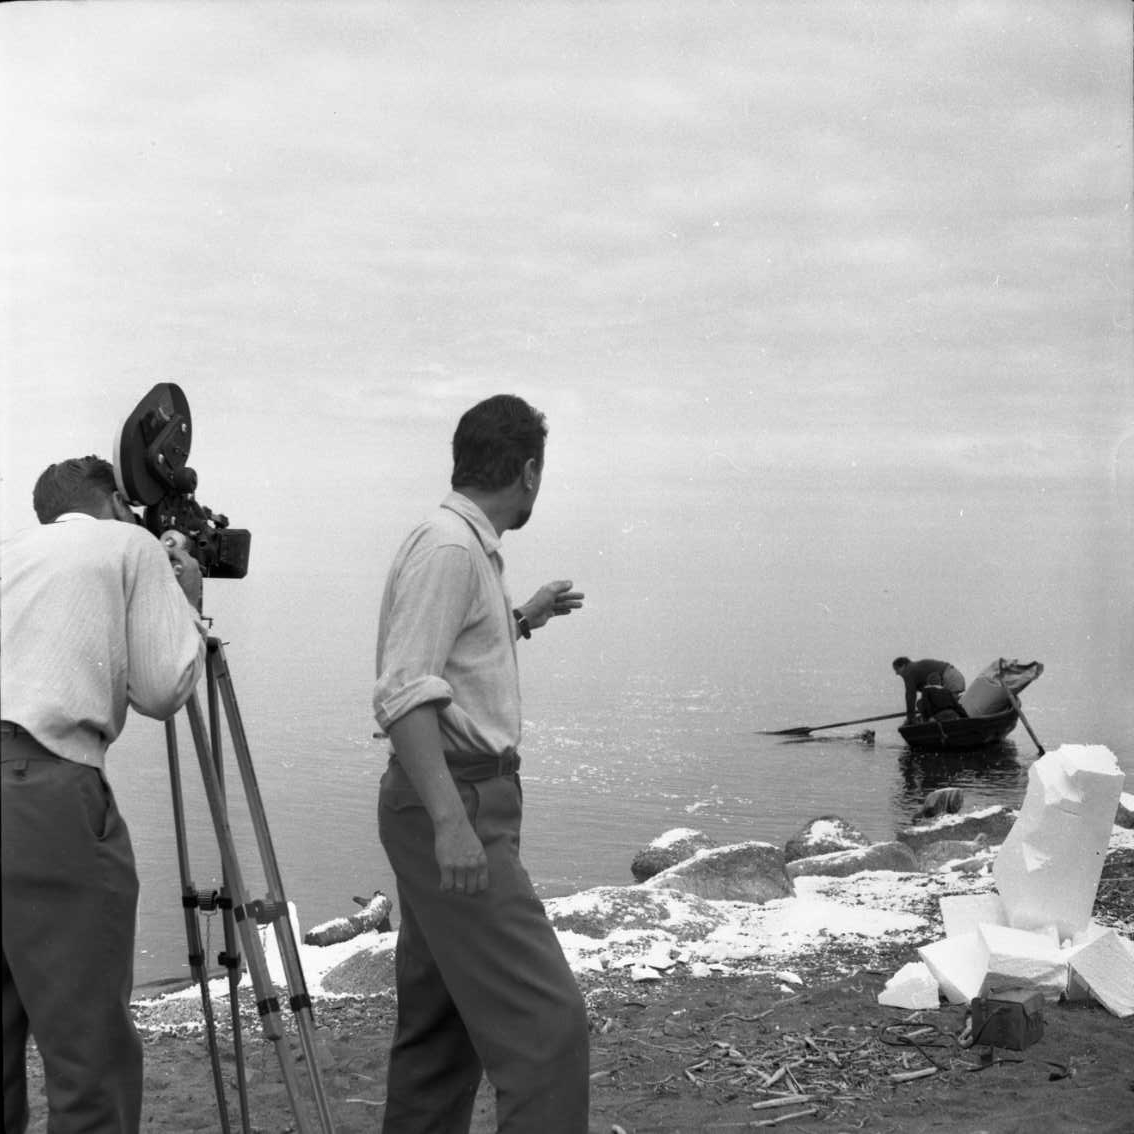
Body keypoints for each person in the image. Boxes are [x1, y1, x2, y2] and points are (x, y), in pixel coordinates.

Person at [372, 394, 590, 1133]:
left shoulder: (458, 545)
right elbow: (404, 694)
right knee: (547, 1028)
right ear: (528, 471)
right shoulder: (451, 550)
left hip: (451, 798)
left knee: (442, 1032)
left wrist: (523, 616)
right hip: (457, 802)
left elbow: (453, 667)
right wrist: (451, 825)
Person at [1, 455, 206, 1134]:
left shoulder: (14, 553)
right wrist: (188, 601)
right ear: (118, 502)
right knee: (89, 1056)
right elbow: (161, 689)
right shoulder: (129, 544)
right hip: (45, 793)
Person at [892, 656, 967, 724]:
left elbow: (910, 695)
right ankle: (961, 719)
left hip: (950, 678)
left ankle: (955, 723)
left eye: (897, 669)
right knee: (949, 706)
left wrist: (910, 717)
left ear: (903, 666)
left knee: (947, 707)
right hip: (955, 676)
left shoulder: (908, 671)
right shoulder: (914, 668)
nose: (896, 673)